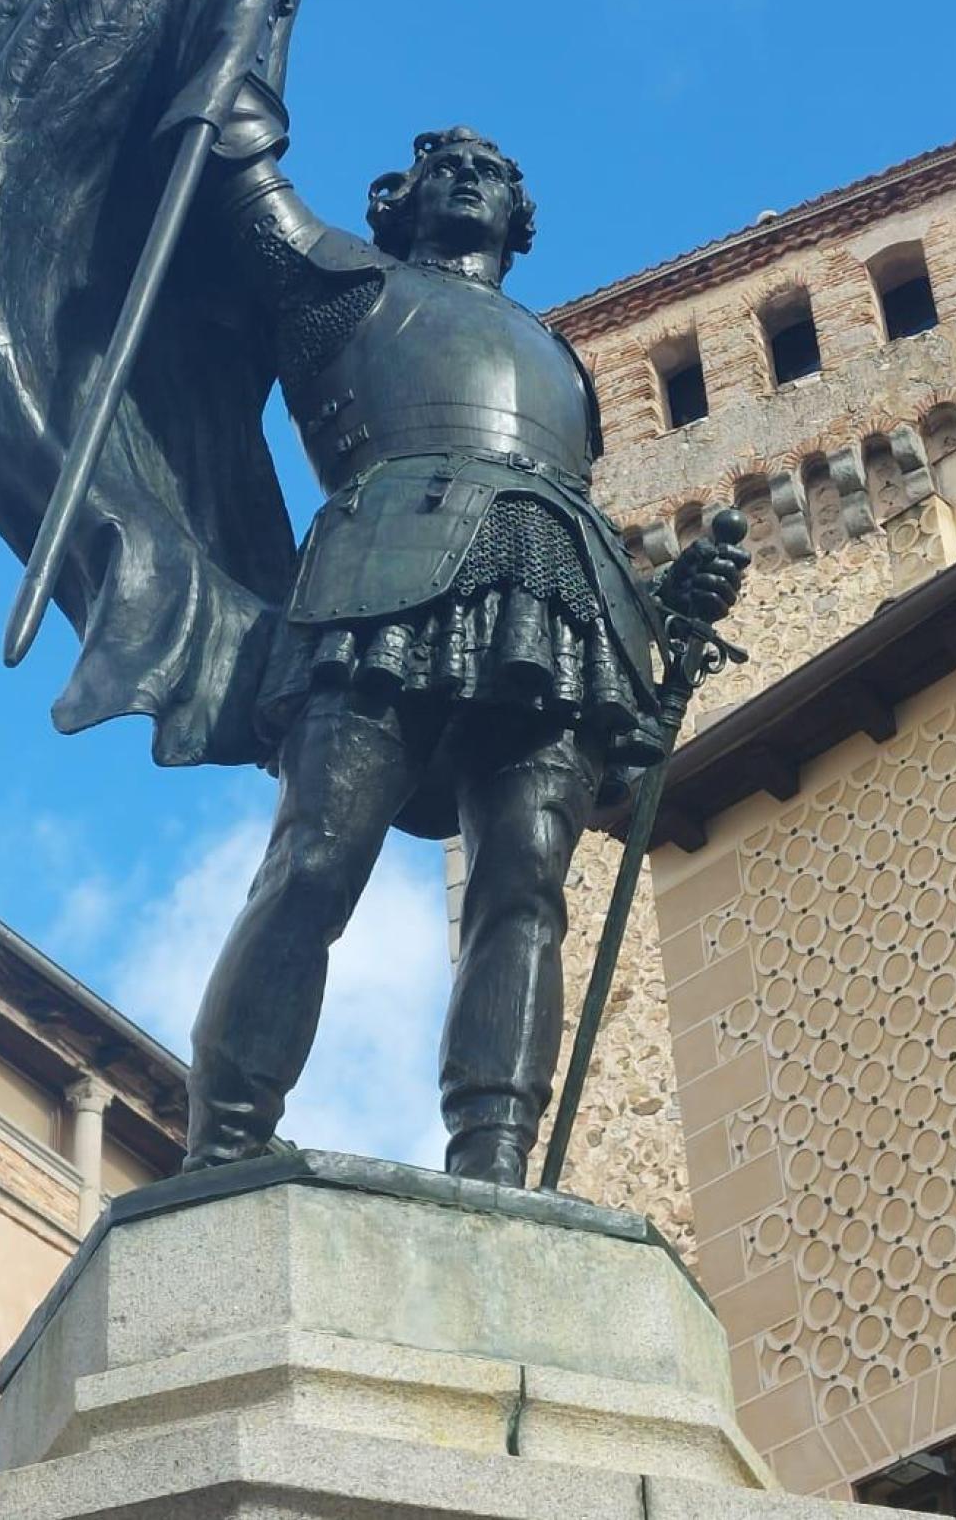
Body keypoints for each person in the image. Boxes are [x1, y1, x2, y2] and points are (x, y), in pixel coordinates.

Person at [183, 87, 747, 1184]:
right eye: (441, 161)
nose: (468, 171)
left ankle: (492, 1161)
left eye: (490, 166)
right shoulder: (342, 287)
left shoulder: (560, 359)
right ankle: (225, 1140)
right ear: (398, 201)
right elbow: (231, 182)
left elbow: (570, 497)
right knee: (313, 859)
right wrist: (231, 45)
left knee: (526, 881)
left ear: (519, 215)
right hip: (378, 578)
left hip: (562, 592)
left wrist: (671, 598)